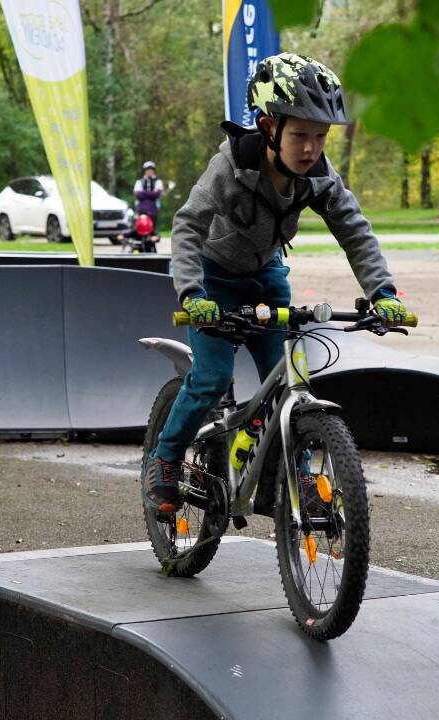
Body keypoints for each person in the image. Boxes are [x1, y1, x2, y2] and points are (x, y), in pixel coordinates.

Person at [143, 52, 412, 514]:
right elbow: (187, 226)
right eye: (301, 135)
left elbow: (355, 231)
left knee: (292, 381)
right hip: (214, 278)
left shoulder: (320, 178)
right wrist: (192, 293)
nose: (311, 149)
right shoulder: (231, 166)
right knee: (210, 380)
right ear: (269, 128)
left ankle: (298, 477)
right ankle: (165, 459)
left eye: (321, 136)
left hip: (267, 279)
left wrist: (383, 292)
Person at [133, 160, 164, 227]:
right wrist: (152, 193)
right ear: (145, 171)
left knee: (152, 224)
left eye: (151, 170)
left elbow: (157, 194)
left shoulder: (158, 181)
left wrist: (143, 193)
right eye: (148, 170)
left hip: (153, 207)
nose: (149, 171)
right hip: (141, 207)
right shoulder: (139, 181)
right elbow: (138, 195)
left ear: (153, 171)